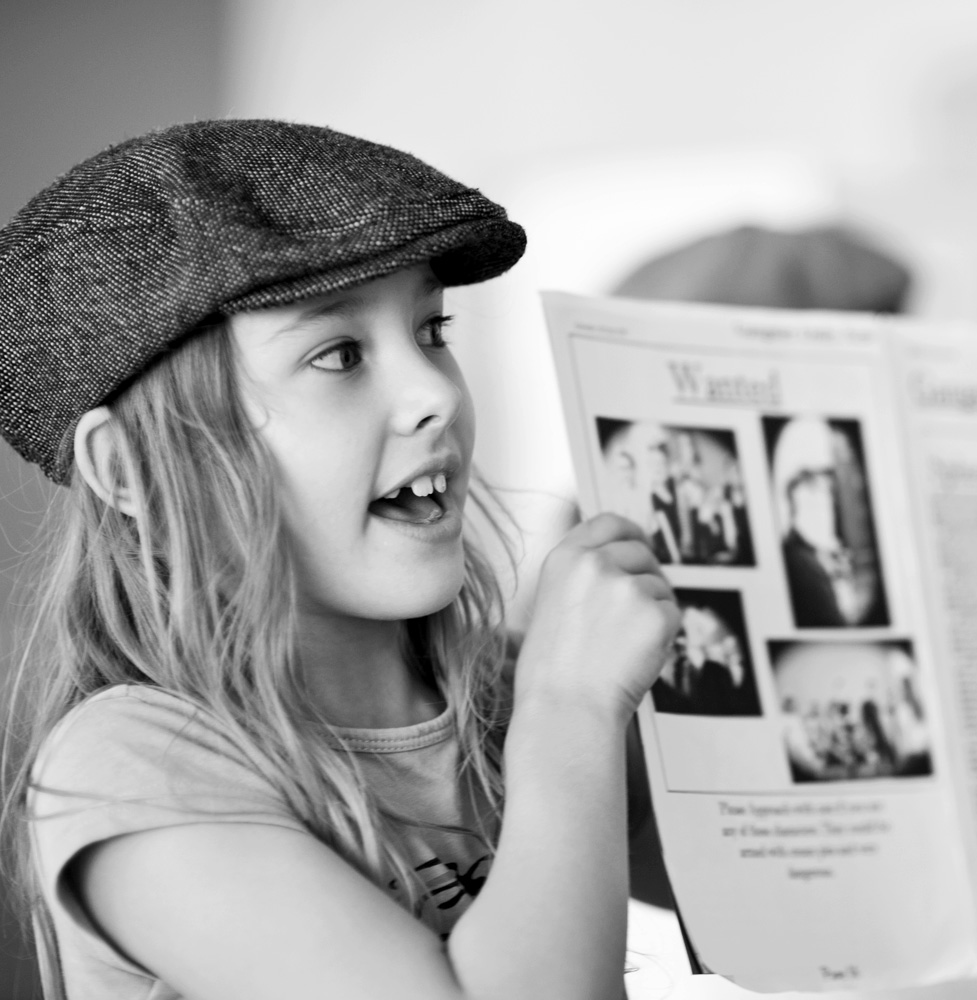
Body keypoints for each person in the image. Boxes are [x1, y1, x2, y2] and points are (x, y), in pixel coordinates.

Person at [0, 121, 680, 1000]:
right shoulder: (134, 764)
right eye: (339, 355)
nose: (436, 392)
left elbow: (799, 923)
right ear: (126, 467)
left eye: (432, 330)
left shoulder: (511, 700)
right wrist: (573, 706)